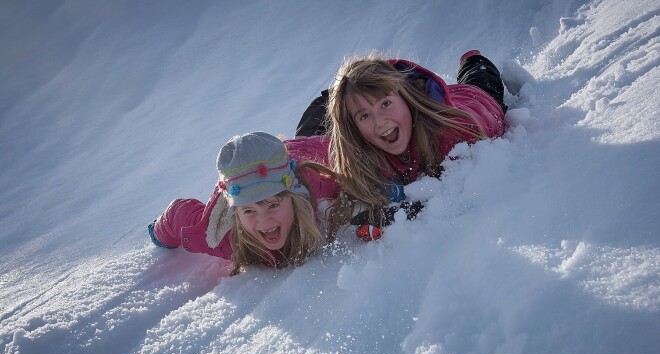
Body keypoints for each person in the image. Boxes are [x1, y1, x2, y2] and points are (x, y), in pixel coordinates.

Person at [298, 51, 507, 240]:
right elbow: (309, 152)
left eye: (385, 104)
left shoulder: (453, 134)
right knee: (317, 123)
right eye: (364, 115)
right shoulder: (361, 146)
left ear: (406, 99)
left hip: (475, 98)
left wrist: (406, 211)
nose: (380, 121)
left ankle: (472, 59)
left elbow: (455, 193)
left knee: (480, 78)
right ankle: (343, 96)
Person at [149, 132, 340, 274]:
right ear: (235, 214)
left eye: (273, 205)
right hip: (249, 177)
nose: (264, 221)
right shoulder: (220, 235)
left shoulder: (317, 187)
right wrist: (159, 234)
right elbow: (177, 214)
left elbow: (346, 153)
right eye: (249, 210)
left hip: (309, 150)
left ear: (293, 198)